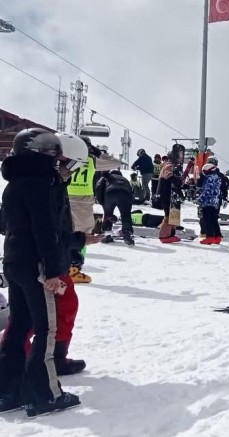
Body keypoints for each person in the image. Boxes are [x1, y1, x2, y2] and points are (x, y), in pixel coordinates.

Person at [0, 128, 83, 416]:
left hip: (15, 260)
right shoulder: (42, 183)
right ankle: (44, 394)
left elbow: (6, 225)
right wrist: (52, 270)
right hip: (37, 265)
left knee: (20, 323)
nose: (59, 164)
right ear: (42, 155)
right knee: (46, 328)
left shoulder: (14, 183)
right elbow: (44, 230)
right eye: (54, 157)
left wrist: (74, 241)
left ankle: (8, 390)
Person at [66, 136, 121, 283]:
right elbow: (116, 162)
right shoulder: (91, 160)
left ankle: (65, 266)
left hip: (65, 199)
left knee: (65, 233)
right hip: (83, 202)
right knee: (83, 235)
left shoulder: (65, 158)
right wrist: (98, 152)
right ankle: (75, 268)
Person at [95, 169, 135, 246]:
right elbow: (131, 192)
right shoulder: (124, 179)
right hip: (125, 194)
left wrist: (102, 202)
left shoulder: (106, 177)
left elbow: (98, 187)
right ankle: (127, 234)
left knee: (108, 215)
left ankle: (107, 235)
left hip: (110, 193)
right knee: (126, 215)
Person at [158, 144, 186, 244]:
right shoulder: (169, 166)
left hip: (173, 195)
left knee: (174, 215)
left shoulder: (175, 167)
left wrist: (182, 187)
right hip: (167, 195)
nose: (182, 157)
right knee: (168, 216)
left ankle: (171, 234)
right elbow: (169, 177)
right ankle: (164, 236)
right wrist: (178, 183)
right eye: (180, 154)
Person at [197, 163, 225, 245]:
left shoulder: (208, 178)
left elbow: (206, 190)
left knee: (207, 219)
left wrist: (200, 199)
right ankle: (217, 236)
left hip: (207, 202)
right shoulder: (218, 177)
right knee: (214, 219)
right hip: (215, 201)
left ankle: (210, 237)